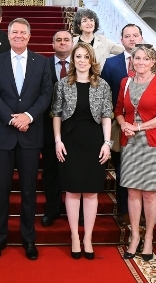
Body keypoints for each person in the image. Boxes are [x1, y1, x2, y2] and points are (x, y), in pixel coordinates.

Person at [0, 18, 53, 261]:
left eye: (23, 32)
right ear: (8, 34)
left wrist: (28, 116)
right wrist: (12, 119)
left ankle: (29, 239)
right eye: (14, 32)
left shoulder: (43, 63)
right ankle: (0, 238)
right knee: (1, 190)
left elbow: (47, 94)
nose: (18, 36)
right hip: (3, 135)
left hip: (30, 135)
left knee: (28, 191)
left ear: (29, 36)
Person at [52, 42, 112, 260]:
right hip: (70, 141)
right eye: (78, 56)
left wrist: (107, 143)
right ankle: (75, 237)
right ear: (73, 59)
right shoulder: (62, 85)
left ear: (91, 59)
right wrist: (57, 141)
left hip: (94, 142)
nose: (82, 60)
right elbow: (56, 114)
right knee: (72, 191)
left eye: (86, 56)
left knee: (91, 192)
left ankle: (88, 238)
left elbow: (106, 116)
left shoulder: (103, 85)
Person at [114, 45, 156, 261]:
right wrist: (124, 125)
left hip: (154, 143)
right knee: (132, 192)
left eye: (145, 59)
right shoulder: (126, 81)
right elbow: (119, 109)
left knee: (149, 192)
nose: (140, 62)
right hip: (130, 142)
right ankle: (135, 236)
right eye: (137, 58)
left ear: (153, 62)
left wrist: (137, 127)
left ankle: (148, 238)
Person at [101, 23, 144, 225]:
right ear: (121, 40)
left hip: (144, 125)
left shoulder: (151, 62)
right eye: (128, 36)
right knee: (121, 168)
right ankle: (124, 209)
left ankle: (141, 211)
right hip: (119, 124)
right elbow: (105, 94)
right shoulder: (111, 64)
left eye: (135, 35)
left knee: (141, 169)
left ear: (141, 38)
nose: (132, 39)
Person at [40, 30, 74, 227]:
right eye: (58, 40)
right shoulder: (42, 65)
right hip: (48, 127)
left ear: (72, 43)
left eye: (66, 40)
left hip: (74, 129)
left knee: (73, 170)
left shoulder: (80, 63)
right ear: (52, 44)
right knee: (50, 170)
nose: (62, 43)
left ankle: (75, 211)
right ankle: (52, 210)